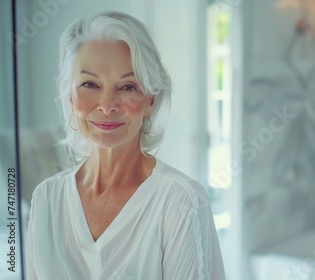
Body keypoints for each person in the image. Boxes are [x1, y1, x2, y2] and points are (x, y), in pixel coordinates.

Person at [25, 11, 225, 279]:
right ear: (70, 97)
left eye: (128, 87)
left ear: (150, 100)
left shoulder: (180, 200)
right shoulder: (45, 199)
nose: (107, 106)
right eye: (90, 84)